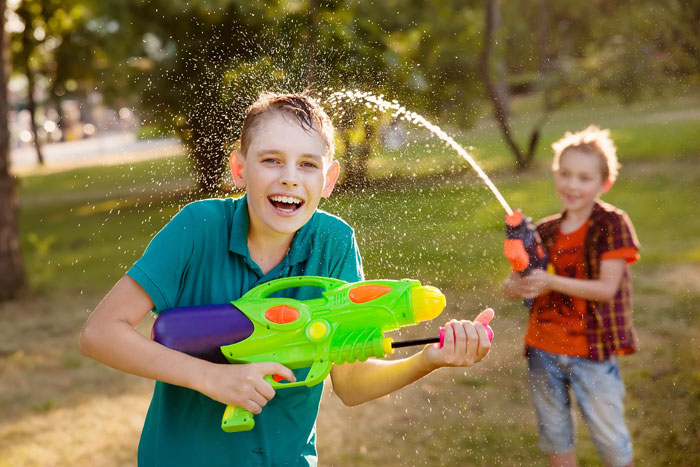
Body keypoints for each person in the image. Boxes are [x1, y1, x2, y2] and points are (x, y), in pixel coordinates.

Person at [80, 91, 493, 467]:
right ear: (239, 169)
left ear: (328, 181)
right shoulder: (197, 227)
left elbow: (349, 382)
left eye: (308, 165)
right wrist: (212, 378)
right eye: (271, 160)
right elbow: (100, 333)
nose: (290, 177)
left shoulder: (333, 244)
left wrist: (428, 359)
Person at [503, 125, 639, 467]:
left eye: (584, 178)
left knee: (610, 438)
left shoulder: (612, 225)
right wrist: (517, 284)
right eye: (565, 175)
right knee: (555, 434)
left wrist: (551, 283)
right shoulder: (544, 231)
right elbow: (510, 286)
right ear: (555, 175)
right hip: (542, 350)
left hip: (592, 352)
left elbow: (607, 289)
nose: (573, 185)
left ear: (603, 183)